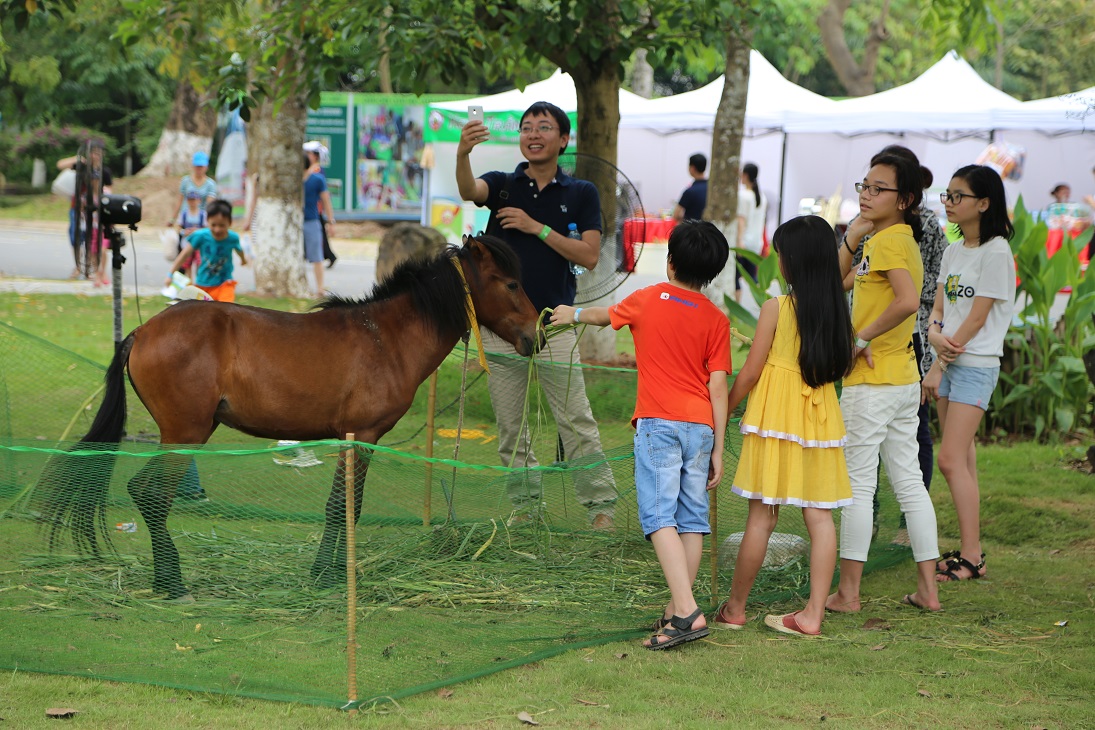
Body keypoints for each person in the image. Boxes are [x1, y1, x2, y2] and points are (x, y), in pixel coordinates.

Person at [549, 220, 730, 650]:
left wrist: (569, 313)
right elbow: (718, 386)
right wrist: (719, 447)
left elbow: (602, 316)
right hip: (701, 428)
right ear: (712, 272)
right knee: (690, 520)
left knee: (658, 517)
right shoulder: (717, 319)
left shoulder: (649, 299)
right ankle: (676, 609)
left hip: (659, 424)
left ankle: (686, 613)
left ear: (669, 263)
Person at [456, 100, 617, 529]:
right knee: (511, 429)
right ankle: (526, 510)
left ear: (563, 140)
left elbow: (590, 254)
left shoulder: (581, 193)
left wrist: (535, 227)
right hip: (502, 329)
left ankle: (601, 507)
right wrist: (462, 154)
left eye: (544, 127)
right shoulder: (505, 184)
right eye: (527, 127)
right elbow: (470, 192)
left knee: (576, 421)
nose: (533, 134)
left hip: (556, 321)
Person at [714, 215, 854, 637]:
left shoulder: (776, 308)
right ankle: (813, 613)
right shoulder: (837, 311)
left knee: (761, 517)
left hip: (775, 416)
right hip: (819, 416)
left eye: (780, 254)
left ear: (793, 261)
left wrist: (725, 406)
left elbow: (752, 371)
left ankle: (735, 609)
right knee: (820, 517)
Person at [829, 150, 942, 613]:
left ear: (906, 199)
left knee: (858, 484)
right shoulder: (885, 238)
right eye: (864, 186)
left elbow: (908, 300)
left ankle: (848, 594)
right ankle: (928, 591)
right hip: (898, 381)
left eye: (879, 189)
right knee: (910, 483)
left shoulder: (894, 241)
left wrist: (860, 336)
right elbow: (835, 282)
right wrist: (852, 237)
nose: (867, 195)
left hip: (875, 381)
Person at [922, 165, 1016, 582]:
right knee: (963, 458)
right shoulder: (954, 250)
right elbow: (939, 309)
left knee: (948, 459)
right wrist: (933, 333)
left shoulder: (997, 251)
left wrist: (938, 363)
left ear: (984, 203)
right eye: (948, 194)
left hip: (974, 366)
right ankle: (970, 551)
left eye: (958, 196)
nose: (949, 202)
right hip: (948, 358)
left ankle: (974, 556)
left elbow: (977, 319)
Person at [165, 199, 247, 302]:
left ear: (230, 223)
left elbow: (239, 250)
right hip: (203, 285)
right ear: (207, 221)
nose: (217, 230)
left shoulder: (233, 238)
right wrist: (170, 274)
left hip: (225, 283)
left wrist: (243, 260)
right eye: (213, 225)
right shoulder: (200, 236)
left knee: (226, 309)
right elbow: (184, 254)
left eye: (222, 225)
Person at [56, 145, 112, 285]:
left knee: (95, 244)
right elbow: (60, 165)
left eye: (98, 153)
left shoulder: (104, 172)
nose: (95, 156)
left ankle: (95, 270)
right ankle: (80, 266)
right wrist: (77, 159)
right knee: (76, 237)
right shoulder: (80, 167)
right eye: (93, 153)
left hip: (97, 213)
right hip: (78, 209)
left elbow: (110, 193)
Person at [303, 141, 336, 296]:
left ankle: (320, 289)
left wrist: (330, 221)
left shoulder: (317, 176)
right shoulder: (294, 179)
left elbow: (326, 200)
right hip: (298, 222)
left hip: (313, 219)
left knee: (317, 255)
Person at [734, 162, 768, 304]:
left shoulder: (743, 195)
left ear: (745, 175)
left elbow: (741, 220)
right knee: (753, 278)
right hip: (755, 243)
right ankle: (764, 304)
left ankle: (736, 307)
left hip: (744, 243)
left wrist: (739, 241)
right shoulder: (762, 196)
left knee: (735, 277)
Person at [167, 151, 218, 225]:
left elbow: (210, 204)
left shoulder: (210, 184)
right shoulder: (185, 181)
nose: (199, 169)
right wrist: (173, 219)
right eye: (197, 166)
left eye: (201, 166)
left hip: (201, 220)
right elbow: (180, 201)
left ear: (206, 167)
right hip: (185, 218)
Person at [672, 153, 708, 221]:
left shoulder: (690, 192)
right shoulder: (712, 189)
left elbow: (676, 215)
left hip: (693, 228)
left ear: (692, 168)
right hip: (709, 228)